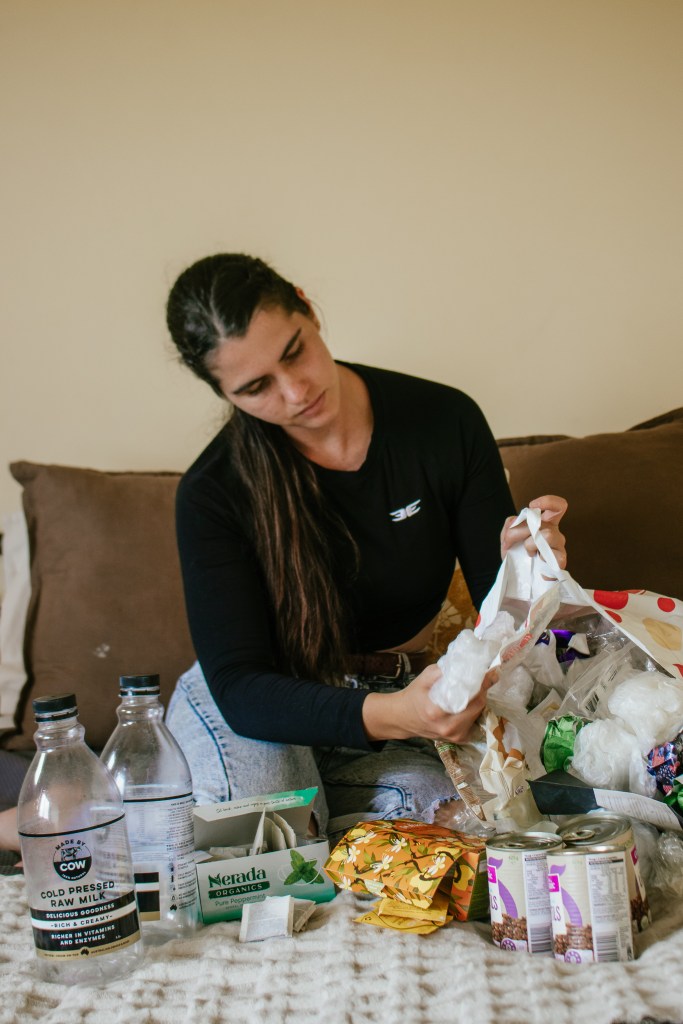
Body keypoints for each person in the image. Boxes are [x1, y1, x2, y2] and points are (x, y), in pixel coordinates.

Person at [164, 253, 567, 841]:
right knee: (276, 844)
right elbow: (242, 688)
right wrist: (398, 715)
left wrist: (528, 573)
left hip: (400, 695)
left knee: (463, 824)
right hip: (263, 707)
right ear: (225, 392)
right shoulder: (214, 491)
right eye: (256, 388)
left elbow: (499, 618)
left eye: (294, 352)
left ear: (307, 307)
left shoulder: (442, 421)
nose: (295, 391)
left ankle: (261, 813)